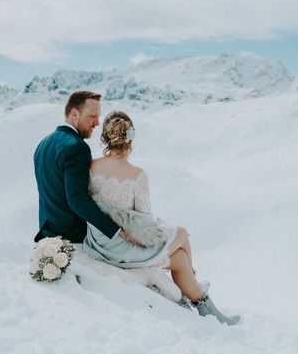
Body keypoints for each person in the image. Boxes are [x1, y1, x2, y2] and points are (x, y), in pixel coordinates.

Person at [82, 110, 240, 325]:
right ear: (130, 139)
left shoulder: (91, 166)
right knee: (182, 234)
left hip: (98, 243)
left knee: (179, 259)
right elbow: (145, 223)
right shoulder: (136, 175)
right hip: (123, 248)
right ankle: (198, 290)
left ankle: (208, 311)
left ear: (105, 138)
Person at [33, 91, 140, 245]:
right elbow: (78, 199)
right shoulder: (77, 147)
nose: (97, 123)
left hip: (48, 234)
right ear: (75, 113)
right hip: (73, 237)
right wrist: (118, 231)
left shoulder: (43, 144)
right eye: (93, 116)